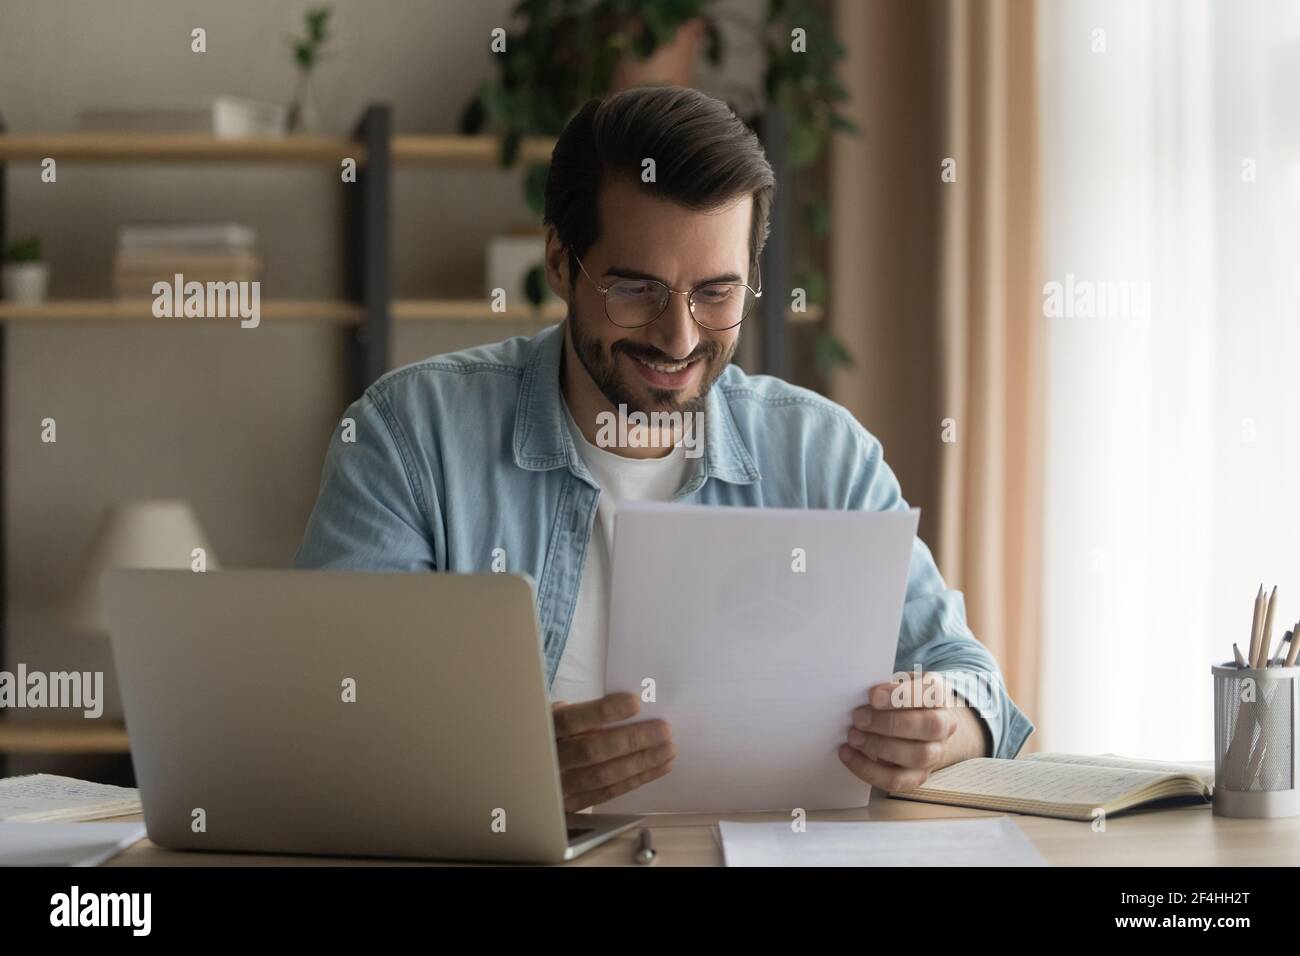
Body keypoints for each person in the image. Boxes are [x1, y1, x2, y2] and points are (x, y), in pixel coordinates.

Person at [294, 85, 1033, 813]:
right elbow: (327, 715)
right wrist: (504, 768)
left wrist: (939, 730)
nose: (679, 339)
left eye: (717, 293)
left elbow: (968, 679)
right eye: (637, 290)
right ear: (559, 260)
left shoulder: (821, 453)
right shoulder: (408, 435)